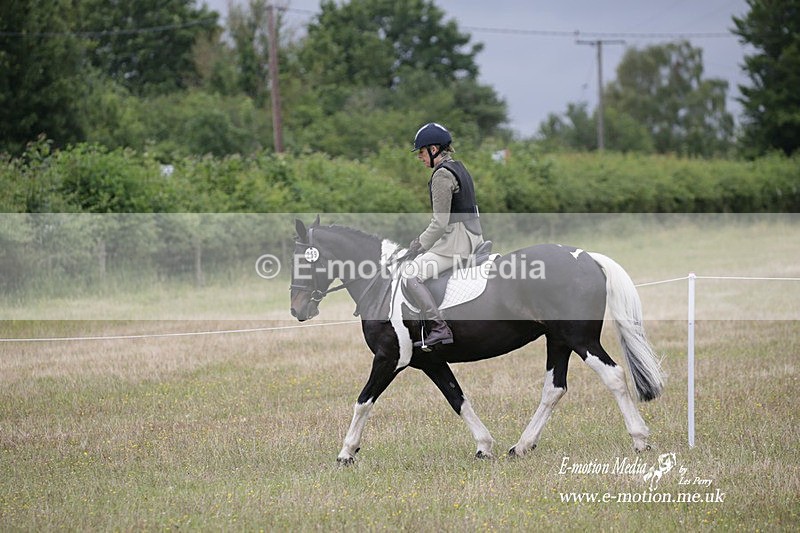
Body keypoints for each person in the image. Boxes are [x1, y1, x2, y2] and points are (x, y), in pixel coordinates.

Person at [404, 122, 484, 349]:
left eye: (421, 151)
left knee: (410, 273)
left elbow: (439, 223)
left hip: (456, 243)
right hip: (474, 237)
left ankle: (438, 327)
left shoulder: (441, 176)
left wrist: (419, 244)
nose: (420, 157)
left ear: (434, 149)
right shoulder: (459, 167)